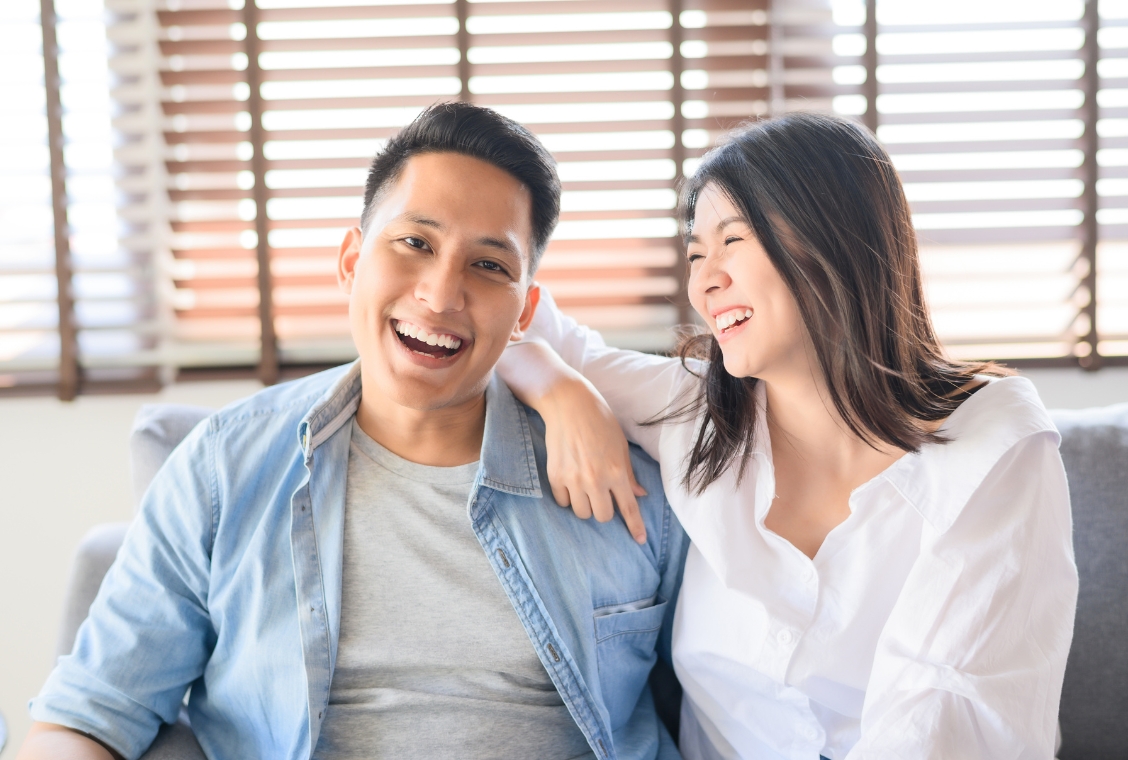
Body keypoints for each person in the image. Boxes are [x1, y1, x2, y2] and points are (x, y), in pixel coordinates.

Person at [19, 102, 689, 760]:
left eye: (489, 265)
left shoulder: (629, 487)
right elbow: (89, 715)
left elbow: (729, 706)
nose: (441, 293)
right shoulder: (224, 468)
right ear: (350, 262)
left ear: (525, 313)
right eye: (414, 243)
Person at [497, 112, 1078, 759]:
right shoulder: (695, 412)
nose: (705, 279)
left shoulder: (993, 445)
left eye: (733, 241)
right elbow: (498, 317)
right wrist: (559, 388)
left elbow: (941, 717)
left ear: (830, 236)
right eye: (696, 253)